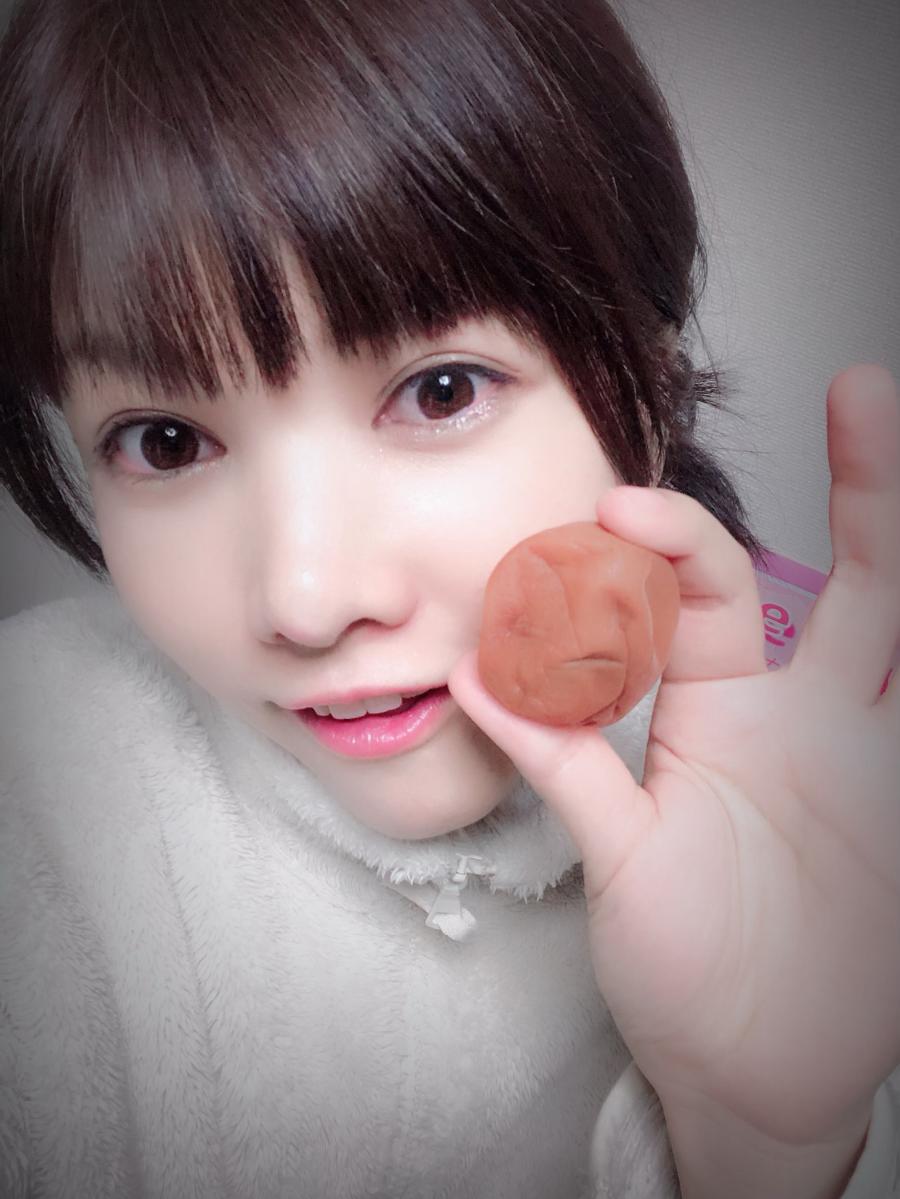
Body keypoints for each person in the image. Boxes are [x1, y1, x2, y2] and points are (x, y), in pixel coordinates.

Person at [0, 0, 898, 1195]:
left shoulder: (804, 827)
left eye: (438, 392)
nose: (308, 600)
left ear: (648, 378)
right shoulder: (36, 812)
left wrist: (767, 1151)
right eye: (166, 440)